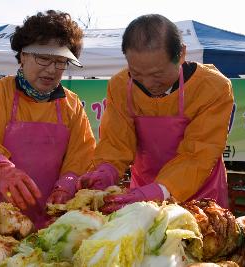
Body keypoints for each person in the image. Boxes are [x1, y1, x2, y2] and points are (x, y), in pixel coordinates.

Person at [78, 14, 234, 213]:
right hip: (142, 189)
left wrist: (160, 190)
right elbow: (115, 142)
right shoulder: (119, 85)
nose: (148, 84)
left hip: (200, 192)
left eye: (157, 74)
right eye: (136, 74)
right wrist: (105, 170)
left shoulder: (212, 87)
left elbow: (198, 153)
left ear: (181, 54)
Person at [0, 10, 96, 229]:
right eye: (43, 58)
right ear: (23, 55)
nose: (51, 70)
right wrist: (1, 170)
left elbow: (82, 155)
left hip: (49, 220)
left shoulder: (71, 105)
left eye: (61, 62)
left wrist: (67, 185)